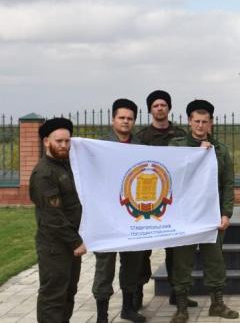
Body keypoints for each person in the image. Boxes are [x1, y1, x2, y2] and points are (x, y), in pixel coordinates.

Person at [168, 99, 239, 322]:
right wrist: (197, 154)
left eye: (204, 122)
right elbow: (172, 175)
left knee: (214, 260)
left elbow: (228, 184)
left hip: (212, 216)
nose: (200, 126)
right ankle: (181, 308)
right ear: (189, 122)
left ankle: (217, 304)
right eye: (196, 121)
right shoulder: (176, 147)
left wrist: (226, 213)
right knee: (182, 261)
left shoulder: (221, 150)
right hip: (185, 216)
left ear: (211, 123)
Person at [91, 99, 146, 323]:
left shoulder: (140, 145)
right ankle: (102, 315)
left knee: (132, 263)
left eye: (130, 118)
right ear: (113, 119)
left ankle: (128, 308)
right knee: (105, 264)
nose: (126, 121)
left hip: (132, 214)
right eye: (122, 117)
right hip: (106, 216)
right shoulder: (99, 145)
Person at [135, 90, 191, 309]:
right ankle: (137, 292)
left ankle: (177, 293)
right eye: (156, 105)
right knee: (142, 251)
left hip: (172, 200)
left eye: (163, 105)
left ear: (169, 108)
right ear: (150, 109)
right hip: (147, 200)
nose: (160, 108)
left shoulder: (180, 135)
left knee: (175, 251)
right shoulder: (141, 138)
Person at [30, 117, 87, 323]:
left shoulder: (66, 166)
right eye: (59, 141)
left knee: (68, 293)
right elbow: (52, 216)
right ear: (46, 141)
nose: (64, 145)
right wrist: (76, 241)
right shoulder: (44, 173)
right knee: (53, 297)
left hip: (70, 244)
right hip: (55, 247)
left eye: (67, 141)